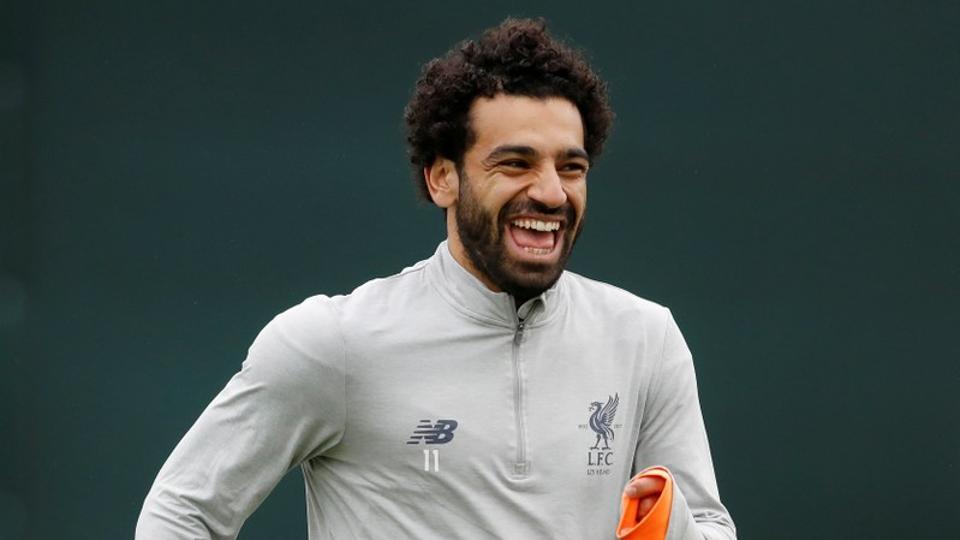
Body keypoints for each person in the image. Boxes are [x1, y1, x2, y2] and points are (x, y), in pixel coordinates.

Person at [136, 18, 736, 540]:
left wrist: (669, 527)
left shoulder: (645, 339)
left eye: (570, 167)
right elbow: (183, 513)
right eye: (515, 163)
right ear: (442, 178)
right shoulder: (333, 342)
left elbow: (709, 528)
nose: (551, 192)